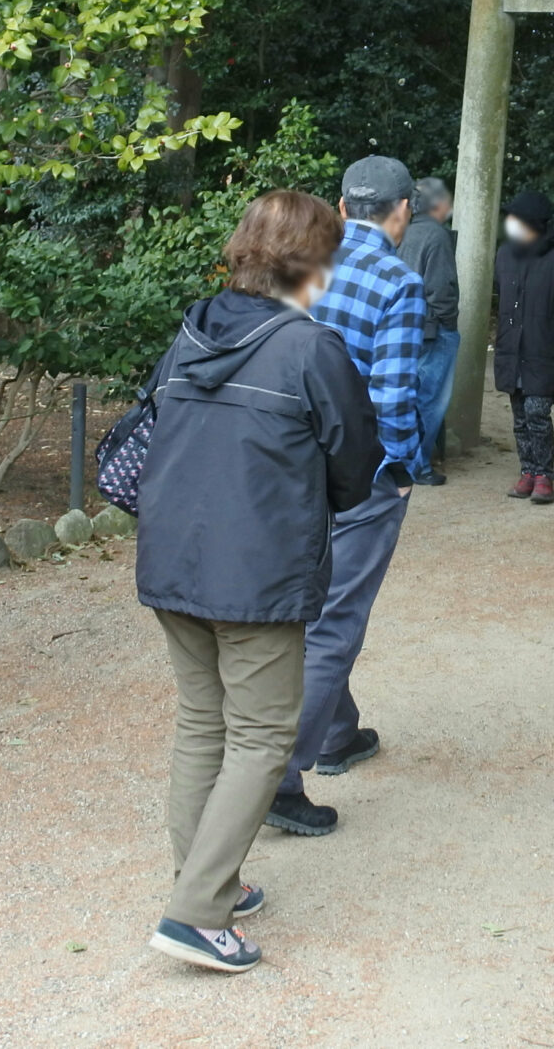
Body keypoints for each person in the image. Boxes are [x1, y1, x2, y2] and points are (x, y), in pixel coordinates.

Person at [136, 189, 378, 974]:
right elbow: (355, 464)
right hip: (258, 570)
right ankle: (197, 911)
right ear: (316, 263)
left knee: (203, 724)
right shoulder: (312, 348)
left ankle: (208, 881)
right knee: (261, 734)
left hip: (172, 556)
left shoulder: (191, 330)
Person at [265, 156, 424, 839]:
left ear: (340, 203)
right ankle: (278, 775)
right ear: (404, 210)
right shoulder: (398, 281)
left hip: (287, 464)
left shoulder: (302, 265)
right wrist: (407, 467)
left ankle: (338, 730)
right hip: (359, 471)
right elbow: (392, 398)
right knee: (335, 620)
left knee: (306, 604)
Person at [492, 188, 554, 504]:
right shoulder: (504, 254)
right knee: (519, 416)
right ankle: (527, 470)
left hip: (545, 350)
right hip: (512, 348)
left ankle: (544, 475)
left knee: (537, 412)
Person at [398, 177, 460, 487]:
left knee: (405, 397)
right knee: (430, 402)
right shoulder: (436, 236)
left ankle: (402, 462)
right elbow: (441, 289)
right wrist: (449, 322)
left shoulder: (402, 232)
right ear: (439, 204)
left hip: (404, 328)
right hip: (434, 330)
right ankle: (418, 465)